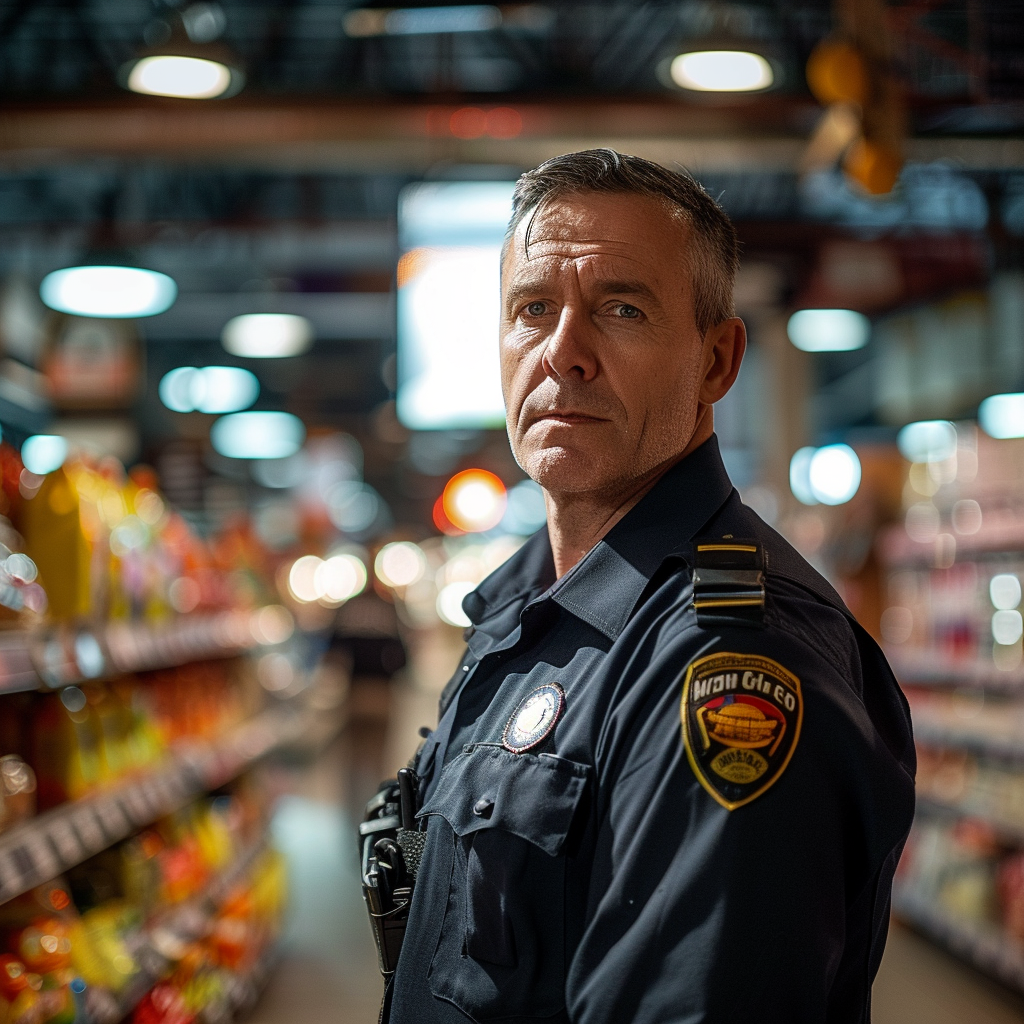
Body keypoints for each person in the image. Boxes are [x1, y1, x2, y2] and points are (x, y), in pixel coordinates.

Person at [380, 149, 916, 1023]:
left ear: (716, 361)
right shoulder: (519, 613)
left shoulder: (731, 656)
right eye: (532, 309)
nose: (563, 352)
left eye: (620, 309)